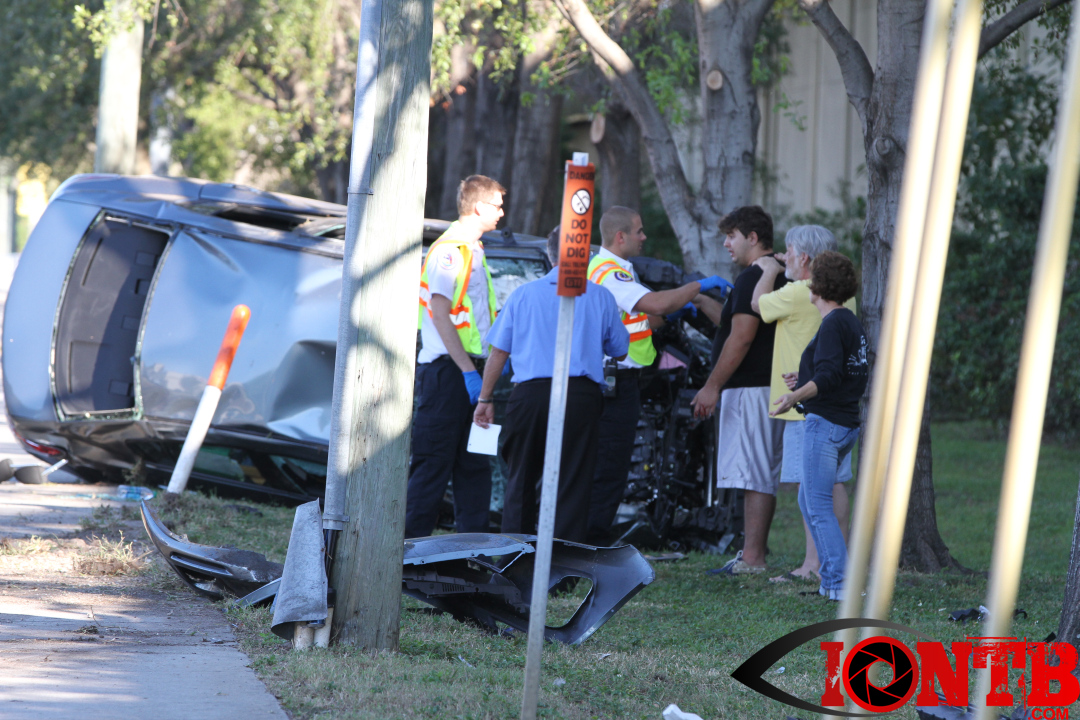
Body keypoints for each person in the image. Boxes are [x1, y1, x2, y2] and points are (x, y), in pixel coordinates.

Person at [473, 228, 629, 544]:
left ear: (549, 252)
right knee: (573, 480)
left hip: (531, 395)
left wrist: (485, 397)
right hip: (580, 396)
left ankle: (514, 560)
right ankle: (564, 568)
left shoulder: (523, 295)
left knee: (521, 479)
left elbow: (499, 352)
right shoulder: (600, 296)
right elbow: (620, 349)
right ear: (585, 255)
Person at [585, 206, 730, 544]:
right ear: (620, 237)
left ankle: (591, 543)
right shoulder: (609, 272)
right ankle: (589, 548)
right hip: (613, 384)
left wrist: (676, 312)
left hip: (622, 383)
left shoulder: (619, 270)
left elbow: (645, 319)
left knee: (611, 469)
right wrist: (695, 287)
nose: (644, 237)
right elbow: (656, 304)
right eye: (639, 231)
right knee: (608, 471)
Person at [750, 225, 856, 584]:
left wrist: (767, 271)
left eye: (789, 252)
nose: (785, 257)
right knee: (834, 484)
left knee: (811, 491)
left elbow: (757, 305)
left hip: (805, 407)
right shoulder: (845, 299)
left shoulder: (798, 292)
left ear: (805, 259)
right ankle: (834, 558)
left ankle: (814, 565)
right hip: (838, 406)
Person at [405, 175, 505, 539]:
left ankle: (473, 559)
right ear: (478, 207)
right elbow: (439, 312)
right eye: (497, 205)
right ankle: (406, 558)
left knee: (475, 466)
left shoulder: (474, 251)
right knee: (433, 466)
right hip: (449, 374)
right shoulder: (450, 251)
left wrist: (483, 382)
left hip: (473, 373)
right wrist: (468, 373)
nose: (501, 212)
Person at [689, 206, 787, 574]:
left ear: (753, 238)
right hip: (764, 387)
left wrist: (712, 386)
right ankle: (752, 554)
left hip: (750, 389)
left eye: (731, 236)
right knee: (756, 472)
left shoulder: (752, 278)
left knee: (754, 473)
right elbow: (735, 326)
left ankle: (753, 559)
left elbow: (742, 337)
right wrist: (701, 300)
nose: (726, 244)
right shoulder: (773, 276)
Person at [771, 251, 869, 601]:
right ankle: (831, 581)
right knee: (807, 500)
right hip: (844, 424)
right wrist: (806, 377)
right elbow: (846, 373)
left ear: (818, 286)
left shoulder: (831, 324)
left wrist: (795, 394)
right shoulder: (849, 322)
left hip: (825, 424)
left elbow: (829, 376)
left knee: (818, 506)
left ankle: (840, 584)